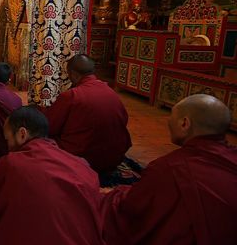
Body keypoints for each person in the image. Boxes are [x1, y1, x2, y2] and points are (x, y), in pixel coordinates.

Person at [0, 106, 105, 245]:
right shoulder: (82, 165)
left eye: (7, 140)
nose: (7, 146)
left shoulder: (12, 163)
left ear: (22, 134)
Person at [100, 94, 237, 245]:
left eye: (172, 116)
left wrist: (113, 195)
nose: (168, 121)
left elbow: (133, 207)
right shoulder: (231, 158)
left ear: (185, 123)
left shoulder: (170, 169)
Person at [42, 54, 131, 172]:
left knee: (39, 139)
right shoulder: (111, 92)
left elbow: (49, 127)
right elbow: (123, 121)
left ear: (73, 74)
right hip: (114, 158)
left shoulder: (72, 96)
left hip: (82, 159)